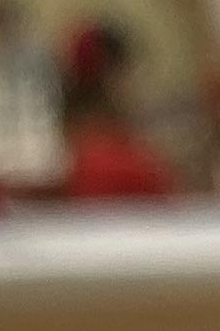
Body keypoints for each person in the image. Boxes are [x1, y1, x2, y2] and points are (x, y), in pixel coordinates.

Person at [52, 19, 175, 200]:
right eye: (132, 71)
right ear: (113, 75)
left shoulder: (79, 142)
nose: (138, 81)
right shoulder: (111, 158)